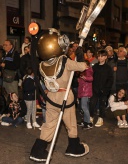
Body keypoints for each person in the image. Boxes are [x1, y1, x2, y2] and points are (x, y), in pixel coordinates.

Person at [29, 28, 89, 162]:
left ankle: (37, 150)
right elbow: (83, 66)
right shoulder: (64, 60)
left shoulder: (41, 65)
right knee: (71, 124)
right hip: (65, 97)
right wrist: (80, 54)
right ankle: (73, 147)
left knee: (49, 124)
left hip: (51, 97)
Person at [89, 50, 113, 127]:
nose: (100, 57)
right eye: (99, 56)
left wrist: (106, 89)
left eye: (102, 56)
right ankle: (91, 116)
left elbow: (110, 79)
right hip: (95, 89)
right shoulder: (95, 66)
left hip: (104, 90)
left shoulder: (108, 68)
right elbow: (91, 76)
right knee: (92, 103)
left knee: (102, 104)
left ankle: (101, 118)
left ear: (105, 57)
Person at [77, 60, 93, 129]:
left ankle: (89, 122)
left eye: (84, 64)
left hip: (85, 92)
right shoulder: (83, 71)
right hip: (83, 91)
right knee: (85, 107)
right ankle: (85, 121)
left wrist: (85, 78)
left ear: (87, 65)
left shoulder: (88, 70)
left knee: (84, 107)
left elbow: (91, 78)